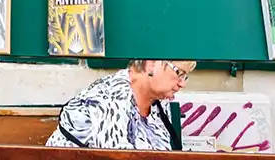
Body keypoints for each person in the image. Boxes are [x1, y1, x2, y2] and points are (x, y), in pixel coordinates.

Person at [45, 59, 194, 150]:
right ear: (151, 64)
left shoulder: (159, 103)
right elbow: (116, 155)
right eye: (179, 73)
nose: (182, 84)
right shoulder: (110, 97)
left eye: (186, 77)